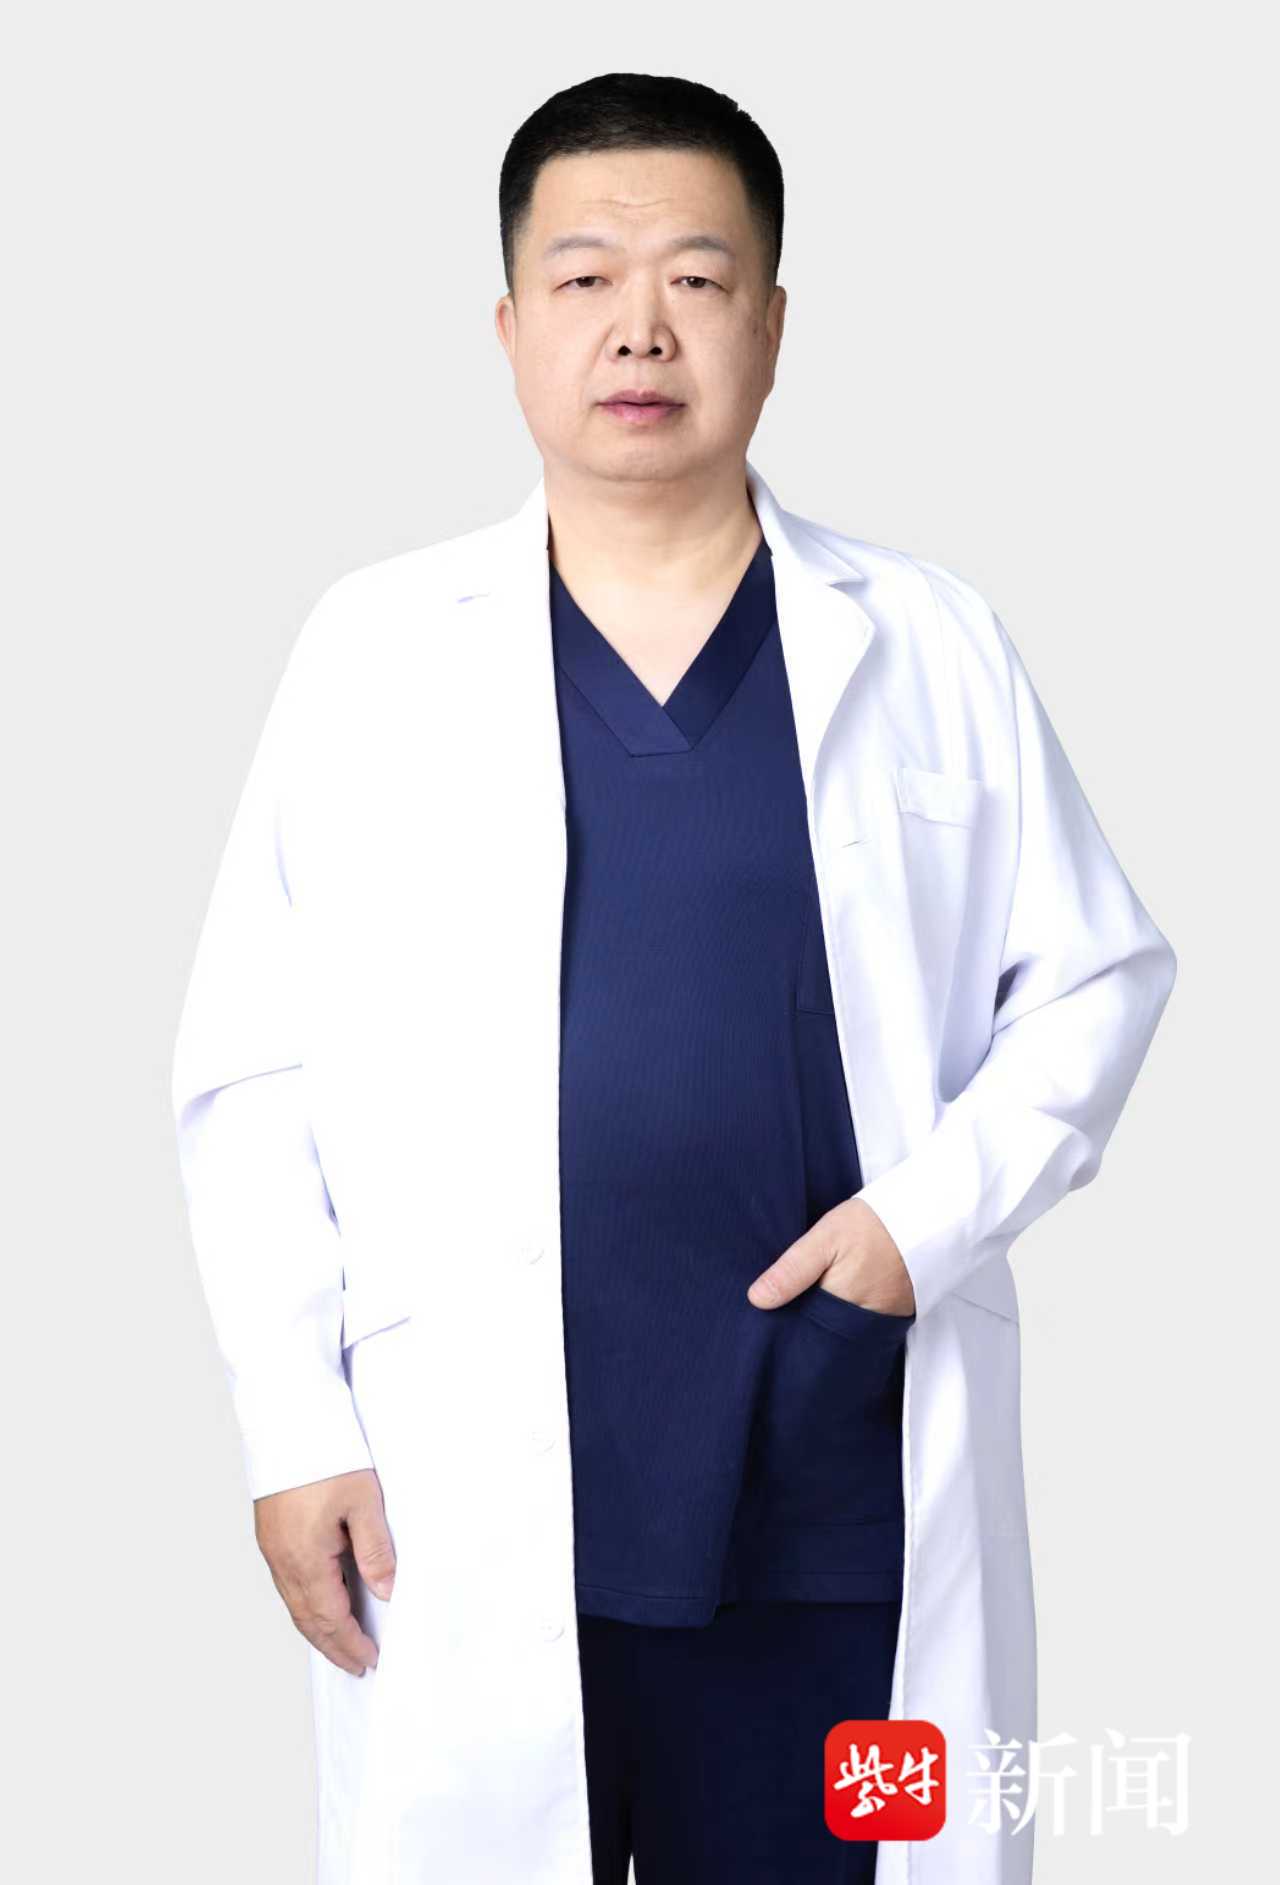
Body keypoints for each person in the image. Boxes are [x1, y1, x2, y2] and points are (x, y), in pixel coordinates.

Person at [170, 72, 1177, 1885]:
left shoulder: (928, 640)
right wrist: (292, 1423)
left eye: (698, 281)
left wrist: (923, 1224)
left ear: (773, 327)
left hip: (841, 1504)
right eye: (585, 280)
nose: (641, 328)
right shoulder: (373, 652)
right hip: (464, 1507)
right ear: (508, 330)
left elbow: (1100, 977)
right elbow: (253, 1072)